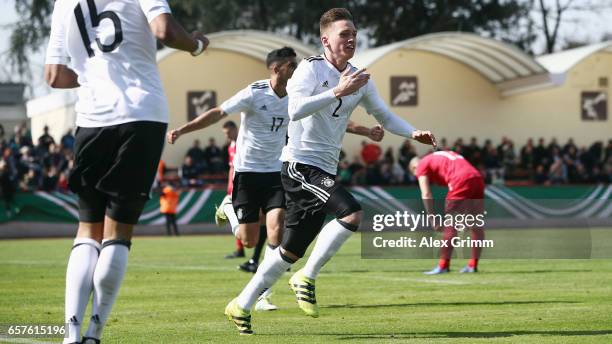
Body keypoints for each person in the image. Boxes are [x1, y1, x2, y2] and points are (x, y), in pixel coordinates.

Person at [222, 8, 436, 335]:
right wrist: (338, 91)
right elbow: (294, 110)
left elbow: (385, 115)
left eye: (353, 33)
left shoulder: (360, 77)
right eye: (343, 34)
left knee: (289, 250)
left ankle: (241, 304)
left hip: (324, 169)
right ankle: (306, 276)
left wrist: (412, 132)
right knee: (351, 214)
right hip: (299, 165)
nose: (351, 39)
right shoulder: (309, 70)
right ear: (326, 40)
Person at [44, 1, 209, 343]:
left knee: (87, 230)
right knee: (117, 232)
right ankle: (94, 333)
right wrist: (196, 45)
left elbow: (54, 75)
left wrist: (96, 76)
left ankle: (70, 334)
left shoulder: (63, 3)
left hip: (91, 120)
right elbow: (164, 30)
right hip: (140, 114)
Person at [408, 151, 486, 274]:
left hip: (460, 180)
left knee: (450, 226)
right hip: (477, 178)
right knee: (476, 226)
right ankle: (473, 265)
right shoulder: (439, 155)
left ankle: (443, 266)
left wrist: (432, 218)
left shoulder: (421, 164)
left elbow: (426, 193)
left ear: (414, 168)